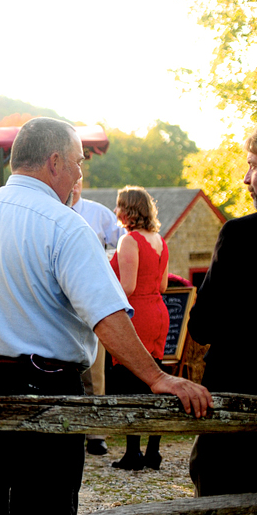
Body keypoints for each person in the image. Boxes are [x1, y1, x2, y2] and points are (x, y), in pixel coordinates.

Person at [0, 117, 212, 514]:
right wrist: (156, 376)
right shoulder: (66, 225)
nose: (80, 173)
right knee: (46, 505)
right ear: (54, 162)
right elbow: (106, 313)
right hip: (43, 386)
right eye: (78, 162)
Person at [188, 127, 257, 496]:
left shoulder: (239, 236)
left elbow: (203, 325)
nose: (245, 178)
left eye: (251, 165)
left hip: (239, 399)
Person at [108, 186, 170, 471]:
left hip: (138, 314)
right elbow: (162, 286)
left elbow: (128, 287)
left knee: (129, 379)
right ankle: (153, 452)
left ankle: (133, 452)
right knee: (156, 377)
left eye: (119, 205)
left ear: (128, 210)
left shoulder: (129, 240)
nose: (116, 210)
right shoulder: (159, 239)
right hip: (158, 312)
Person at [70, 176, 127, 456]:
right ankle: (71, 428)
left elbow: (124, 243)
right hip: (61, 303)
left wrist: (106, 264)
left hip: (91, 298)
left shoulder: (98, 213)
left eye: (79, 181)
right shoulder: (48, 211)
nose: (74, 186)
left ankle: (96, 433)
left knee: (96, 371)